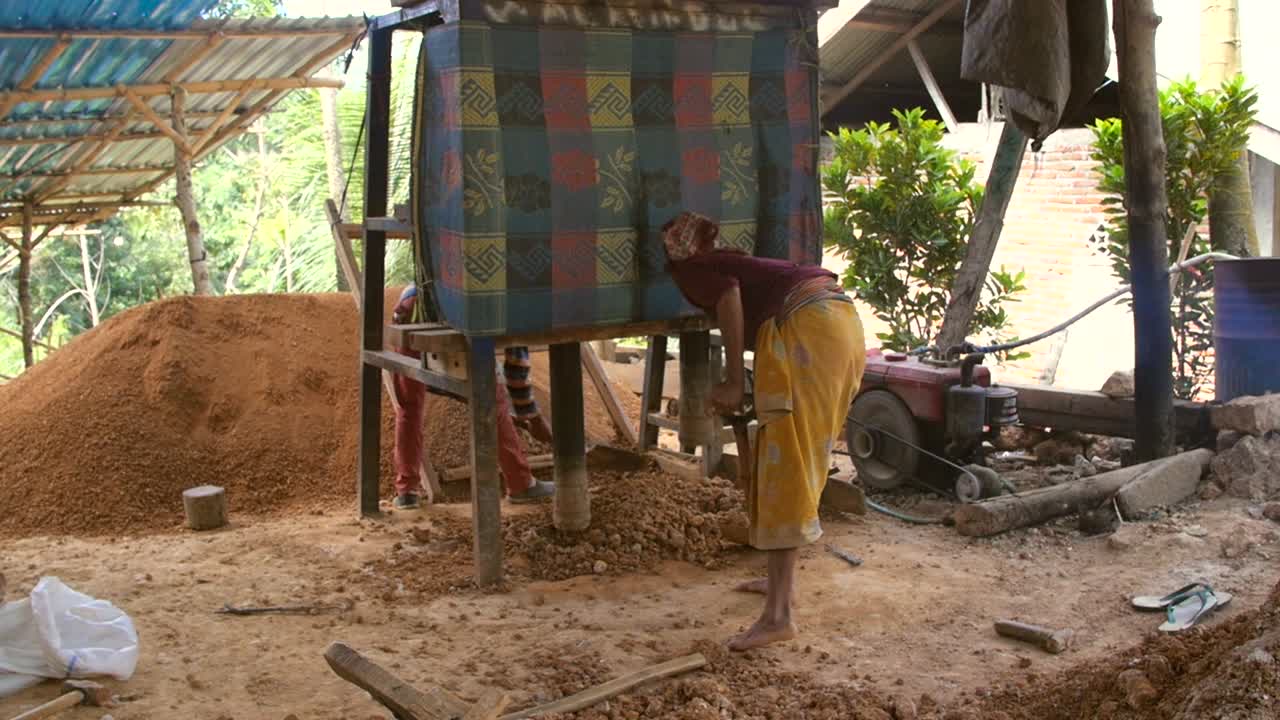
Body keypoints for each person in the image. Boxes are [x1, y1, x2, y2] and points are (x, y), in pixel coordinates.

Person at [662, 211, 867, 651]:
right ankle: (780, 587)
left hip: (811, 329)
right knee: (798, 458)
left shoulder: (689, 268)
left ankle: (779, 616)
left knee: (787, 464)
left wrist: (735, 380)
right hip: (840, 326)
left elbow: (729, 300)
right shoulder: (730, 260)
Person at [391, 285, 554, 509]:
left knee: (408, 407)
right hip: (456, 311)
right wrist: (533, 418)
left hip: (411, 307)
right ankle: (521, 484)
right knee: (492, 400)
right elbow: (516, 372)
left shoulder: (508, 285)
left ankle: (406, 492)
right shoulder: (518, 305)